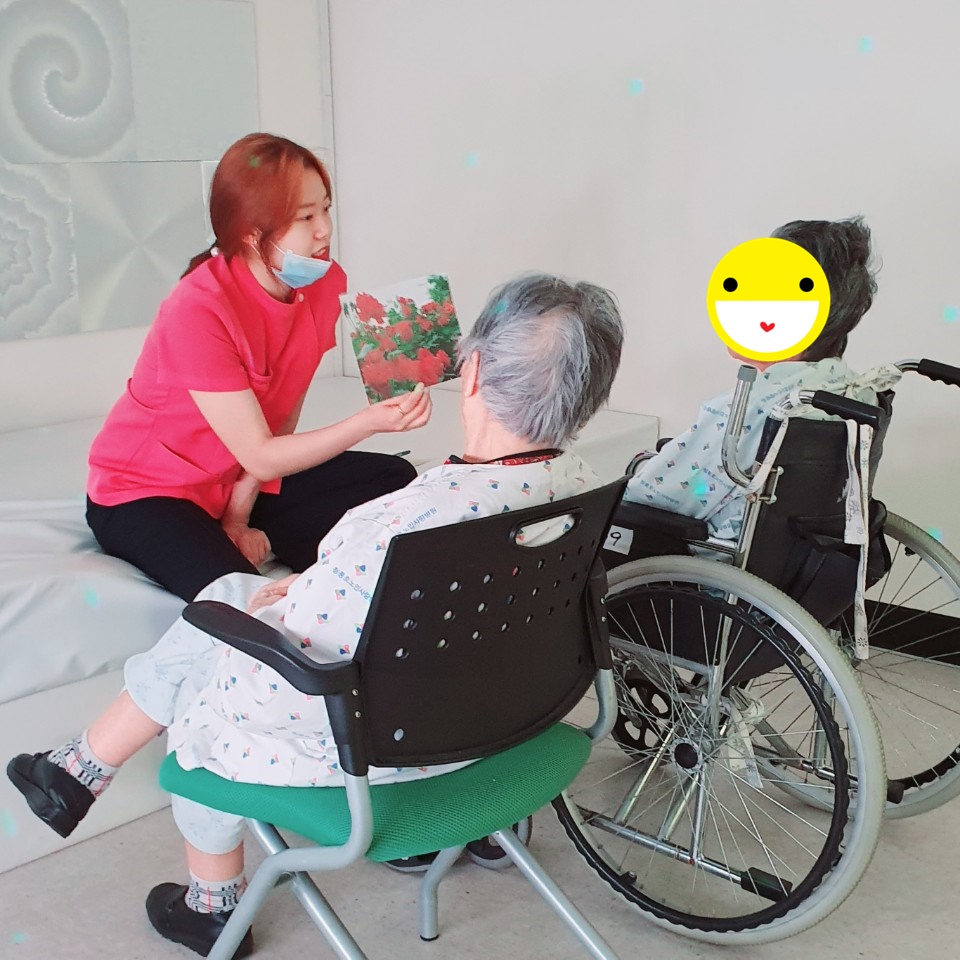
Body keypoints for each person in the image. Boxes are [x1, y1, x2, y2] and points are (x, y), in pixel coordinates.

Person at [8, 273, 624, 958]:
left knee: (208, 665)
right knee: (238, 601)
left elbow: (297, 660)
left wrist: (274, 604)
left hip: (390, 759)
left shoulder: (403, 524)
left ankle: (199, 893)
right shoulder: (582, 492)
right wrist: (311, 584)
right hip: (508, 727)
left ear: (472, 372)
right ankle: (78, 765)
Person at [85, 132, 428, 602]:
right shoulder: (198, 308)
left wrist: (237, 518)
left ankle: (323, 565)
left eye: (325, 209)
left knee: (394, 478)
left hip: (235, 480)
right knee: (242, 597)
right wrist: (367, 423)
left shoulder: (325, 285)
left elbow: (282, 416)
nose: (324, 230)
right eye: (306, 217)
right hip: (148, 491)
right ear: (251, 231)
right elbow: (263, 455)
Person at [622, 216, 897, 548]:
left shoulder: (744, 412)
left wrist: (638, 470)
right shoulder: (853, 392)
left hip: (702, 564)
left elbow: (653, 499)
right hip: (798, 558)